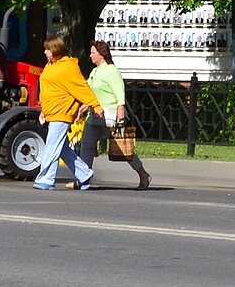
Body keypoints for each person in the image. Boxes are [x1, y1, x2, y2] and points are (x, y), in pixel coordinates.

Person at [80, 40, 151, 190]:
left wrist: (121, 111)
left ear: (102, 54)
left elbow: (119, 91)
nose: (90, 55)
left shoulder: (111, 71)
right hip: (94, 117)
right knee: (86, 146)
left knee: (123, 149)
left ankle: (143, 175)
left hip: (110, 117)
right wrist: (83, 107)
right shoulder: (94, 71)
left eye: (93, 52)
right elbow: (89, 92)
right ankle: (83, 180)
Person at [34, 36, 99, 190]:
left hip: (62, 113)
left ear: (55, 50)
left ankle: (46, 179)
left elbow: (81, 87)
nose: (45, 52)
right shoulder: (51, 65)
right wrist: (44, 109)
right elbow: (48, 90)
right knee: (61, 148)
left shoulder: (68, 66)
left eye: (48, 49)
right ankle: (85, 174)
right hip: (52, 112)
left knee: (51, 146)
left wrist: (96, 105)